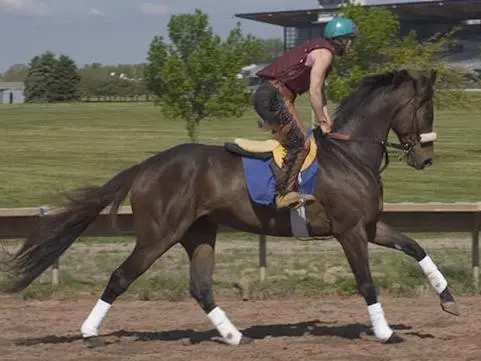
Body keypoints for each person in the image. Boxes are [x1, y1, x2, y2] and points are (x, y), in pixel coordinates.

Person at [252, 15, 358, 209]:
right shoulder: (325, 55)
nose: (351, 45)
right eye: (350, 40)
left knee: (299, 140)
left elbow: (321, 96)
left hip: (275, 96)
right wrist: (322, 122)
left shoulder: (322, 52)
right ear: (341, 39)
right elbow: (314, 92)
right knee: (301, 143)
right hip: (274, 97)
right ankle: (283, 194)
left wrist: (328, 121)